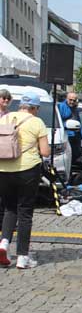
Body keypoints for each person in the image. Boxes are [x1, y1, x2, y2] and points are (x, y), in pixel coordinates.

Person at [0, 92, 51, 269]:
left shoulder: (5, 118)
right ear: (35, 108)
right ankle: (22, 257)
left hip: (3, 168)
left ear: (21, 105)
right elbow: (45, 152)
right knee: (25, 212)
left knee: (9, 208)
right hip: (27, 170)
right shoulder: (37, 122)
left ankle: (3, 243)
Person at [58, 92, 82, 166]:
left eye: (74, 100)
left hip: (76, 135)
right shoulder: (61, 107)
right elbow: (59, 121)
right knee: (68, 158)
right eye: (70, 100)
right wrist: (65, 126)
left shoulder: (75, 108)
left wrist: (81, 133)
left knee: (76, 158)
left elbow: (78, 121)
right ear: (66, 99)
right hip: (67, 135)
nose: (72, 102)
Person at [0, 89, 12, 233]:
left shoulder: (9, 115)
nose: (6, 100)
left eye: (8, 99)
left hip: (6, 155)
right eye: (3, 98)